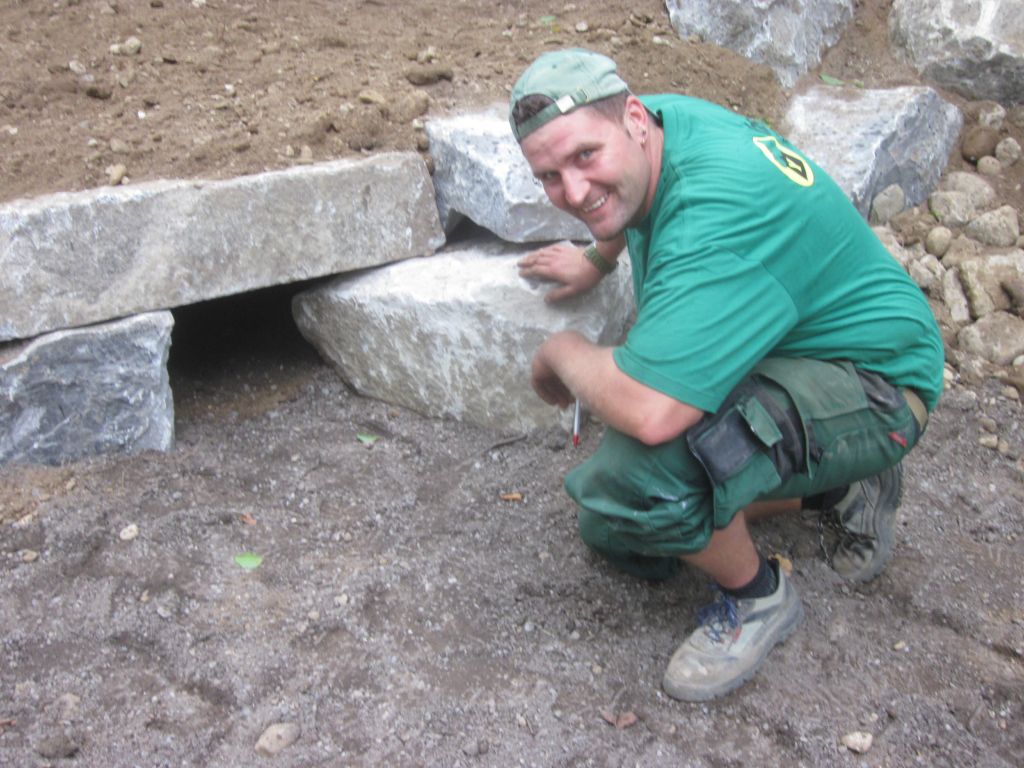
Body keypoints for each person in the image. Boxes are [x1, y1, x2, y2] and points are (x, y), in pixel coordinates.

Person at [509, 48, 943, 702]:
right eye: (549, 176)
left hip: (874, 385)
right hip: (793, 351)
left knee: (643, 479)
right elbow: (623, 194)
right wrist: (598, 259)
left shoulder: (718, 209)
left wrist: (564, 353)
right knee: (611, 526)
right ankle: (835, 490)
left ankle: (757, 598)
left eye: (583, 158)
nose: (572, 192)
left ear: (631, 119)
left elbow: (652, 410)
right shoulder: (662, 124)